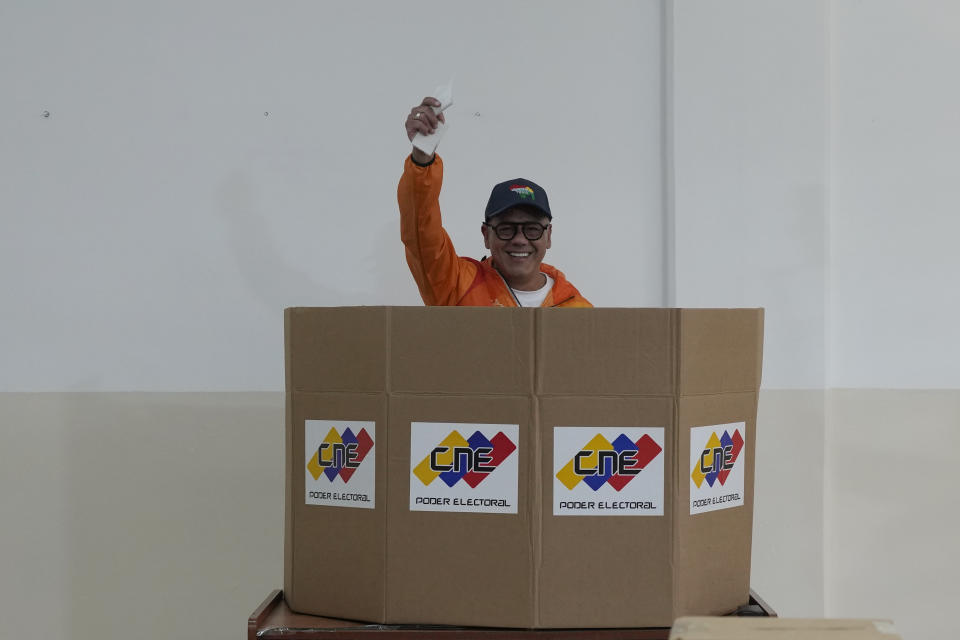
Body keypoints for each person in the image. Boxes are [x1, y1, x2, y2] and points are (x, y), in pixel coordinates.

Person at [397, 97, 592, 308]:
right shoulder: (456, 286)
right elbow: (422, 234)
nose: (519, 239)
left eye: (532, 229)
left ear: (549, 236)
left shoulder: (577, 310)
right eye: (506, 229)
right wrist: (422, 158)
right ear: (486, 235)